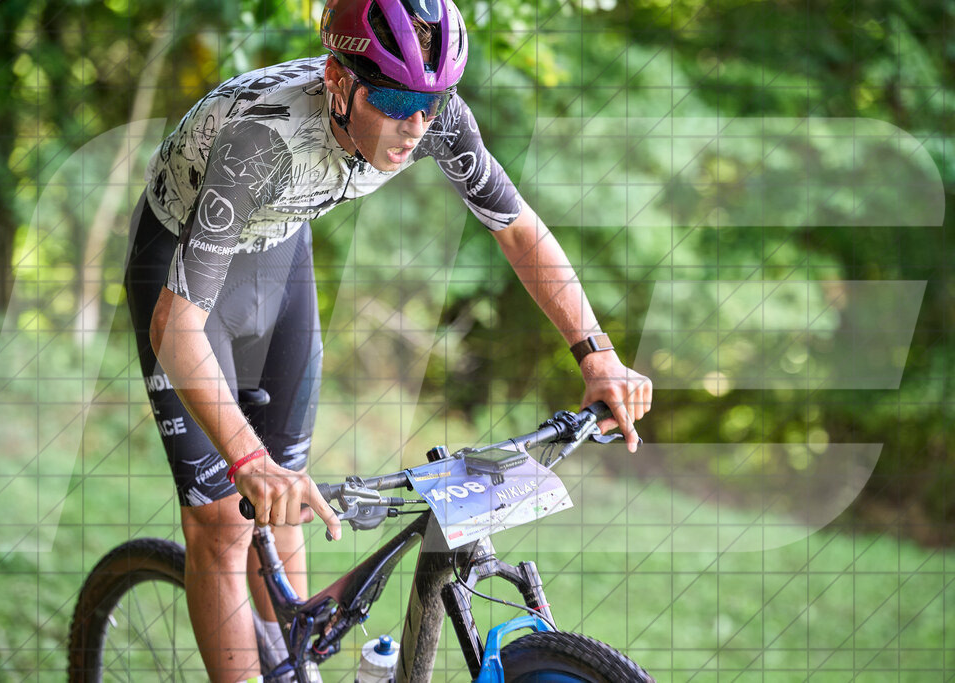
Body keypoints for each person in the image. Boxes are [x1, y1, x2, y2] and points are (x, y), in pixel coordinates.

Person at [124, 0, 654, 680]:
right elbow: (176, 325)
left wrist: (596, 351)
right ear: (339, 83)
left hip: (278, 255)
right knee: (226, 520)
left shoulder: (433, 121)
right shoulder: (260, 144)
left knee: (292, 499)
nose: (418, 124)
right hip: (183, 268)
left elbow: (518, 230)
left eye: (434, 101)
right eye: (400, 99)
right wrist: (245, 458)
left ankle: (292, 662)